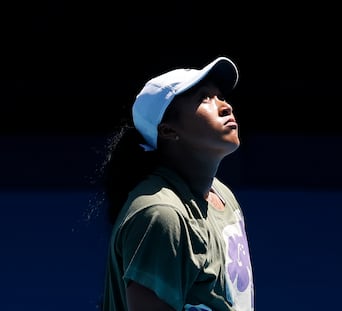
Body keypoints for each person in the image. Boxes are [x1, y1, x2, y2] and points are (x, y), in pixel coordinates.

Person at [99, 56, 255, 310]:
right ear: (168, 130)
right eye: (204, 98)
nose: (225, 106)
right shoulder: (161, 216)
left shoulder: (224, 196)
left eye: (220, 96)